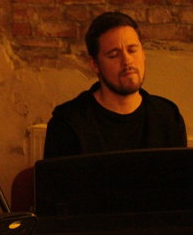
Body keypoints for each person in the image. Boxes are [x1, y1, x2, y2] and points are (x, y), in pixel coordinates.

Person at [44, 11, 187, 159]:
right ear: (95, 65)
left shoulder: (168, 117)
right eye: (114, 55)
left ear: (143, 53)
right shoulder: (68, 123)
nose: (127, 61)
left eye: (132, 50)